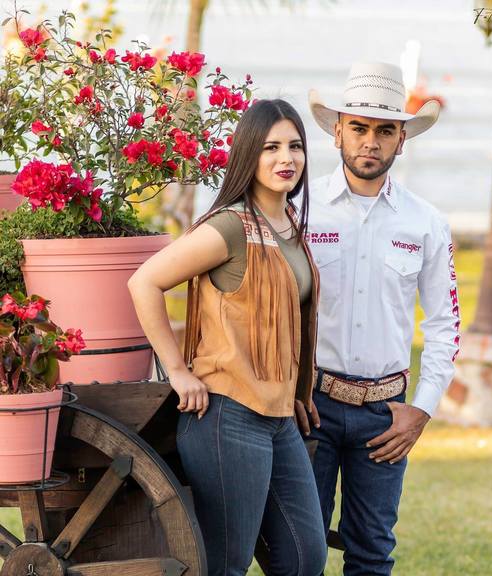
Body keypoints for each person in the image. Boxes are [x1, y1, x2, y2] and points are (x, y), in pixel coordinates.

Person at [128, 99, 327, 576]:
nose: (286, 158)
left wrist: (294, 390)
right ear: (248, 155)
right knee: (226, 564)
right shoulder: (231, 226)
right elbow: (145, 281)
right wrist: (178, 371)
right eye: (271, 147)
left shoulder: (289, 226)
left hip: (278, 417)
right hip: (226, 415)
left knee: (305, 556)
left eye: (295, 146)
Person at [295, 61, 461, 575]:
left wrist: (422, 410)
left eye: (385, 130)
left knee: (372, 554)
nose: (371, 142)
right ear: (337, 132)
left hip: (386, 415)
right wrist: (288, 392)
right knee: (296, 552)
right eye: (359, 128)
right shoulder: (299, 209)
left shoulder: (426, 222)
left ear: (401, 141)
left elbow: (444, 325)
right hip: (311, 406)